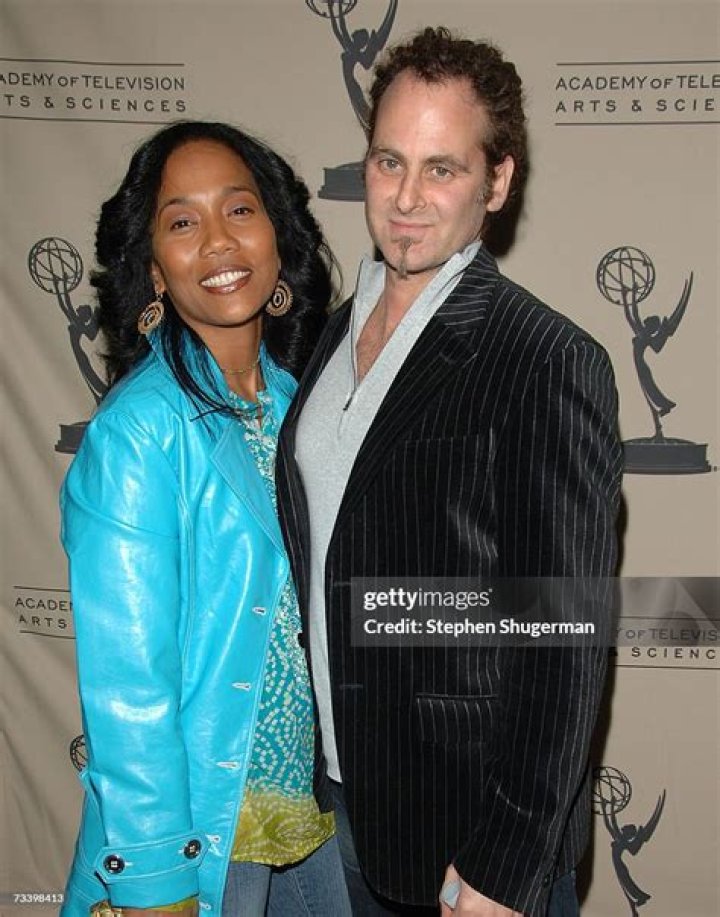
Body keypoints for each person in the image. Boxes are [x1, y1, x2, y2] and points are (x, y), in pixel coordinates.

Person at [276, 27, 623, 917]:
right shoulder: (332, 333)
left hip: (466, 834)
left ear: (496, 182)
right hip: (335, 805)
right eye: (390, 162)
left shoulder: (545, 359)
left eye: (442, 169)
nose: (406, 198)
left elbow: (562, 637)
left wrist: (504, 864)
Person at [59, 121, 351, 917]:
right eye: (183, 221)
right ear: (154, 271)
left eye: (240, 210)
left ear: (278, 240)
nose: (219, 241)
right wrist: (157, 883)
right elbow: (128, 690)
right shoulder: (139, 432)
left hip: (306, 816)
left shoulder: (299, 408)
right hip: (205, 833)